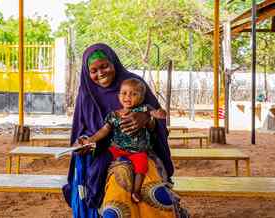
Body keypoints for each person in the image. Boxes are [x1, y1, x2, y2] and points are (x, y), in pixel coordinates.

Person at [63, 43, 188, 218]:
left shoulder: (134, 84)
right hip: (102, 155)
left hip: (143, 152)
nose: (101, 73)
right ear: (87, 72)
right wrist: (84, 142)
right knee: (114, 193)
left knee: (152, 192)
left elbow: (159, 122)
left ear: (113, 62)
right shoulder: (86, 94)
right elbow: (82, 132)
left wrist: (146, 119)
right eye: (94, 70)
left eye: (105, 66)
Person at [77, 77, 167, 203]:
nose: (128, 96)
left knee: (141, 168)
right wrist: (90, 140)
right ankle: (93, 192)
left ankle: (135, 191)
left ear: (141, 97)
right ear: (119, 96)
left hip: (138, 151)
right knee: (99, 162)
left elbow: (155, 113)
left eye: (134, 94)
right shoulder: (114, 115)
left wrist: (158, 114)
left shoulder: (144, 109)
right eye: (124, 93)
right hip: (117, 149)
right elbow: (104, 130)